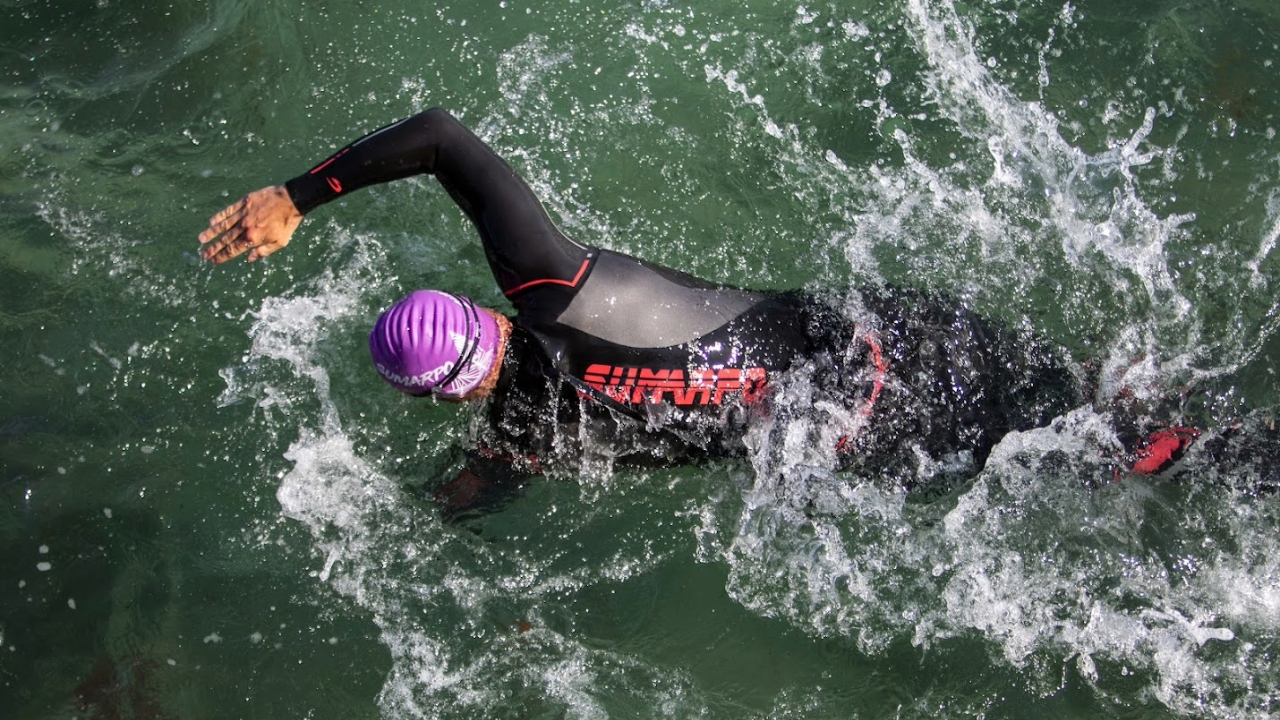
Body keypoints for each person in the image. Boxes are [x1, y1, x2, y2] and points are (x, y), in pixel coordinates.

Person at [199, 108, 1186, 507]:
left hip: (866, 441)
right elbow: (443, 139)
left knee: (1097, 460)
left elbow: (469, 501)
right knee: (1085, 395)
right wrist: (292, 197)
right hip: (885, 344)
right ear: (486, 315)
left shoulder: (524, 437)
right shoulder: (557, 286)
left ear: (442, 398)